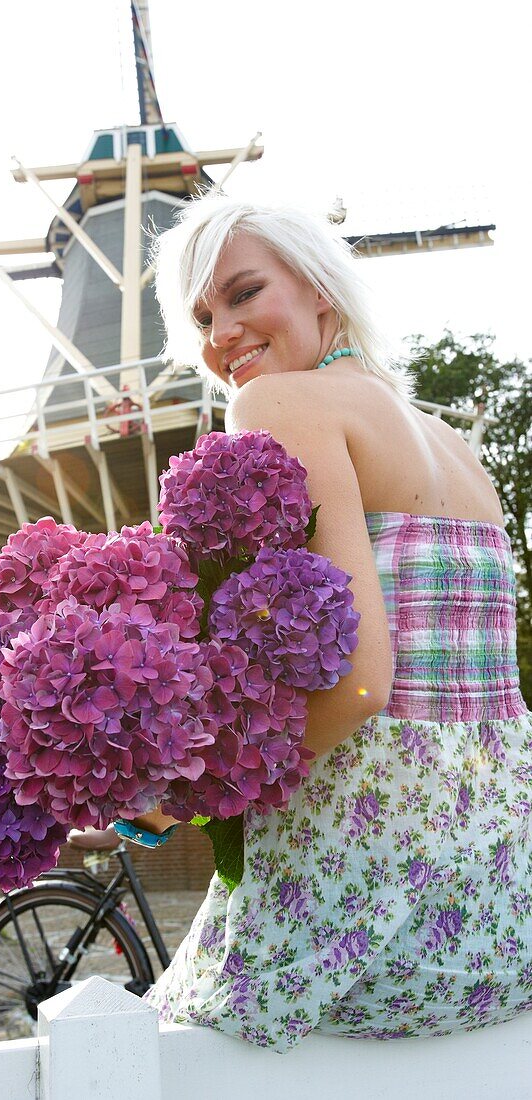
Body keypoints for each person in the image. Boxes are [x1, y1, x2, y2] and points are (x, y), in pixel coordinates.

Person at [132, 194, 532, 1050]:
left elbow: (359, 685)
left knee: (149, 1050)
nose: (219, 335)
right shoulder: (455, 447)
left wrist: (195, 797)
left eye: (243, 293)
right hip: (503, 899)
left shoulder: (281, 404)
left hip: (377, 893)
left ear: (320, 285)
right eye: (203, 315)